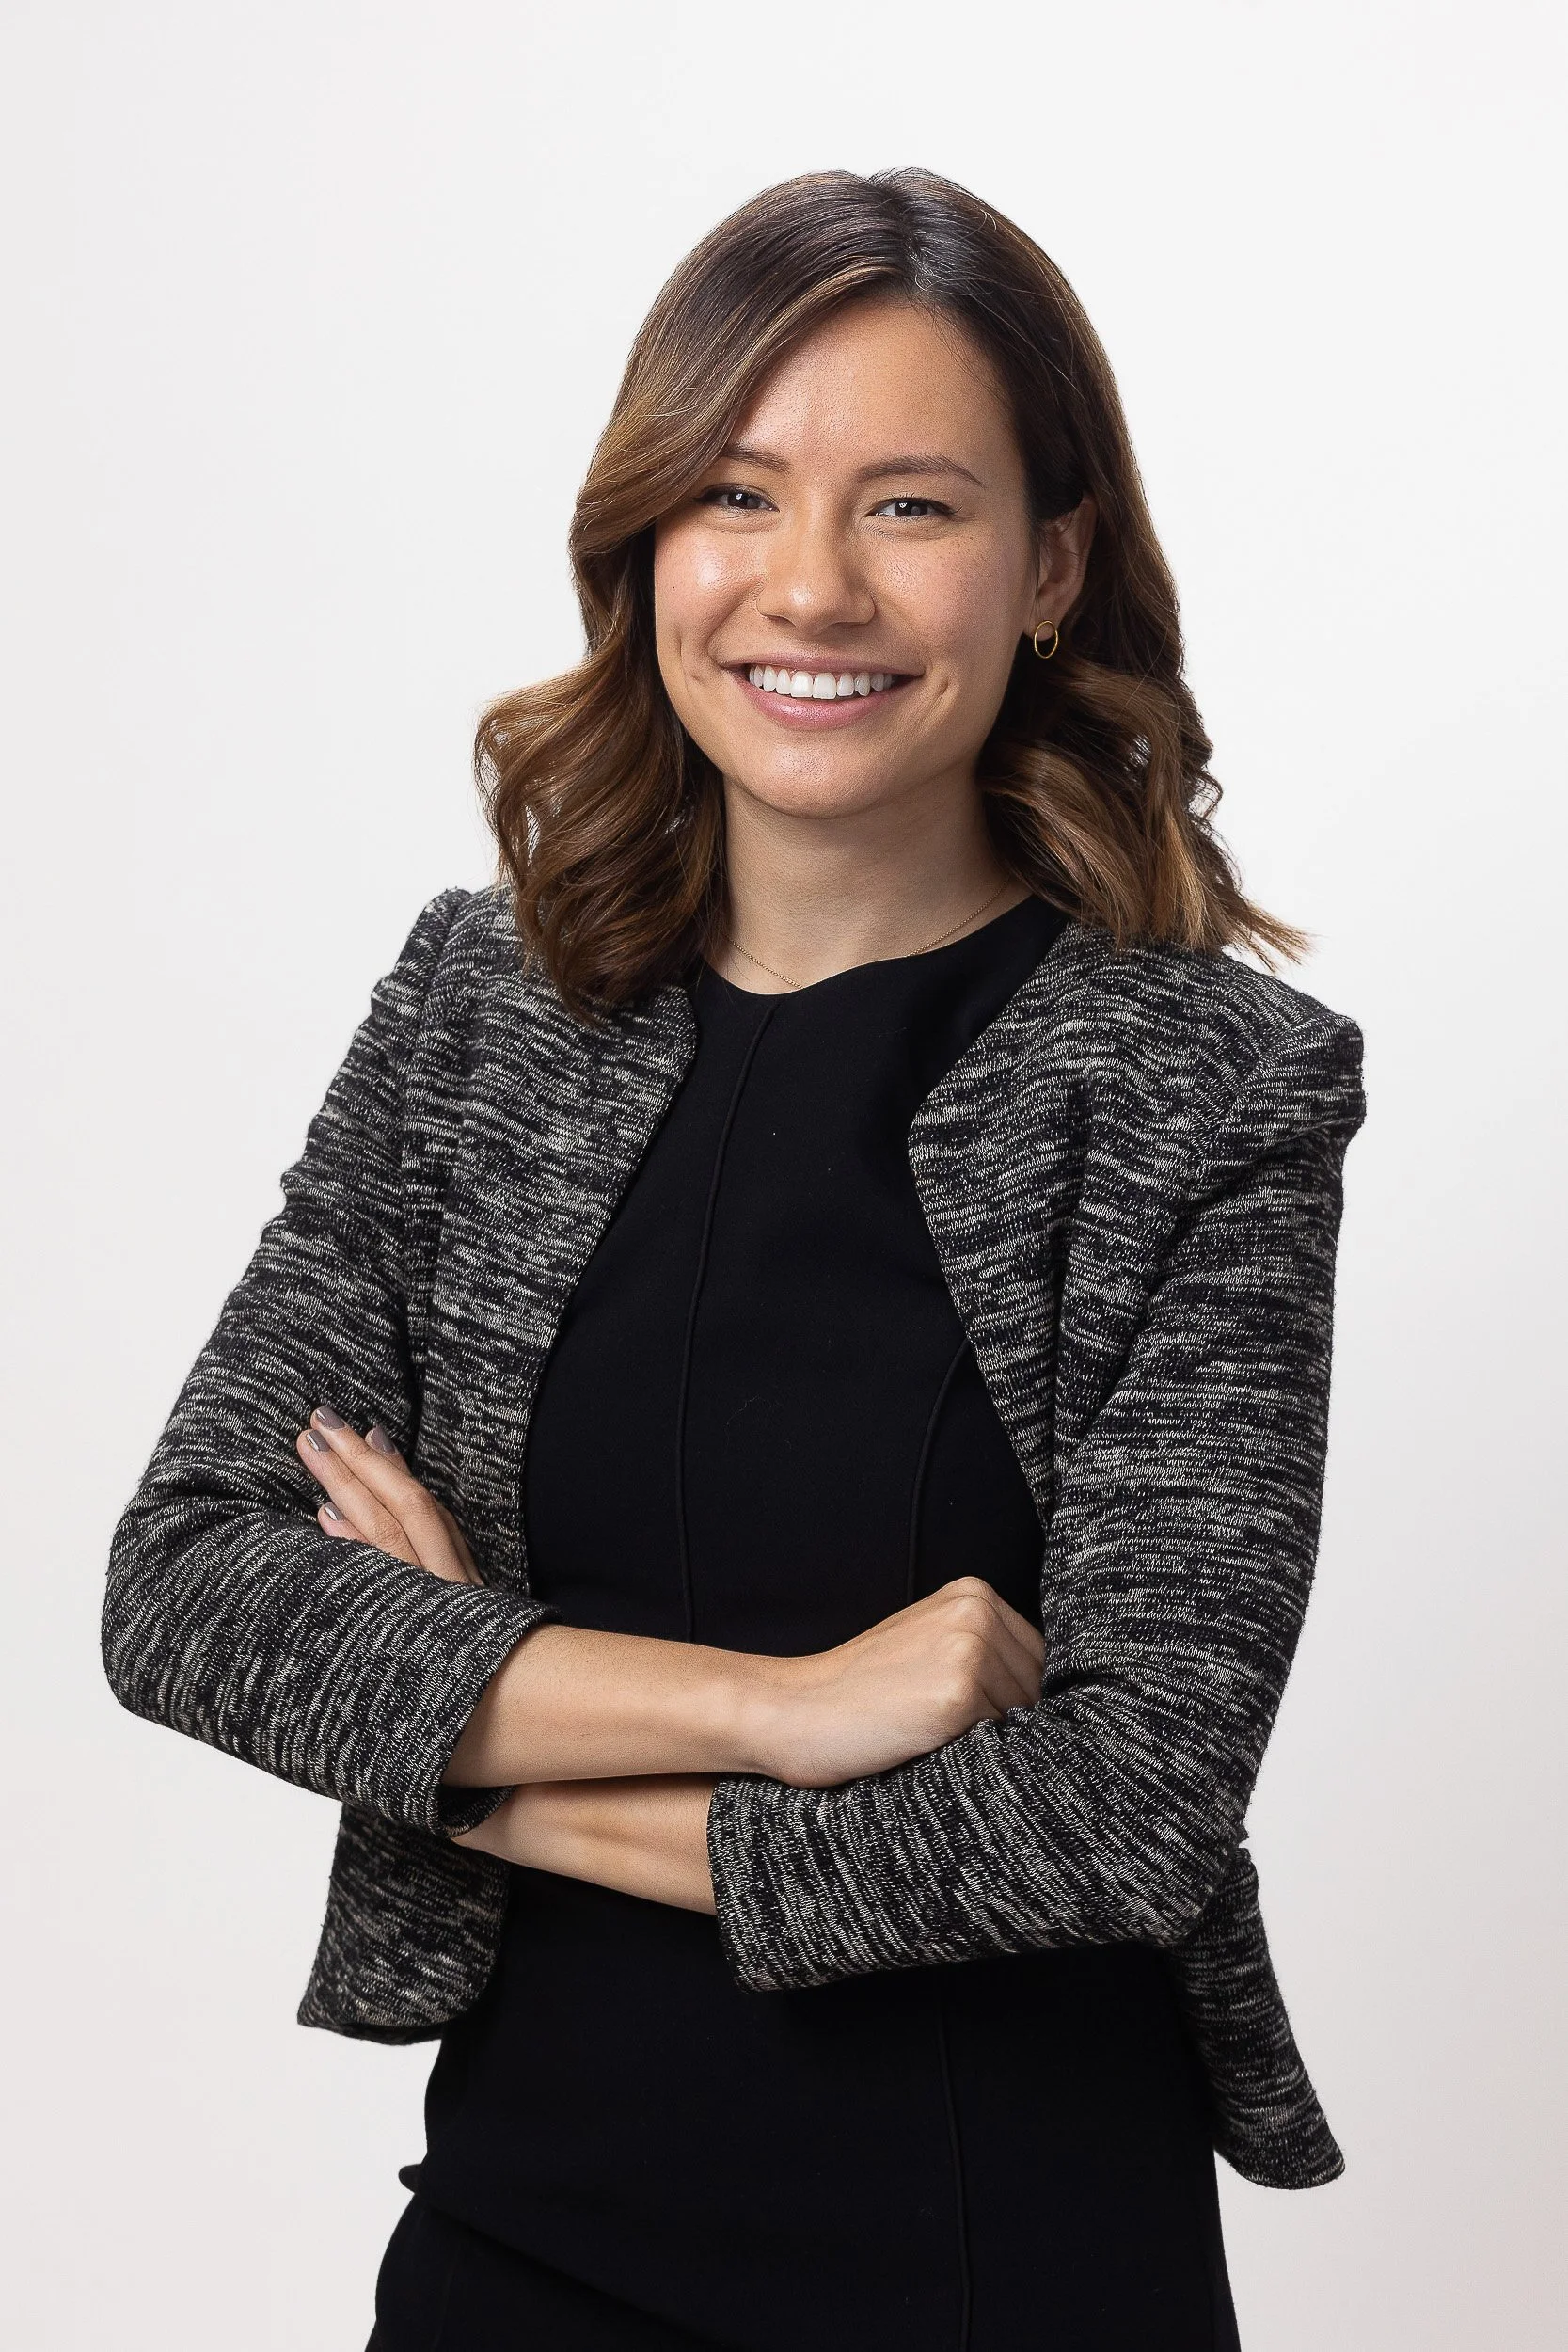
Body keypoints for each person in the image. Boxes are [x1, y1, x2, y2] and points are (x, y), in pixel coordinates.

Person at [102, 167, 1366, 2351]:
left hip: (1001, 2254)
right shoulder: (479, 1012)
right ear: (643, 548)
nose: (807, 587)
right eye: (736, 493)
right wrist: (794, 1712)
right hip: (521, 2235)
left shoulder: (1208, 1088)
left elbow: (1119, 1808)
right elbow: (193, 1582)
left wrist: (466, 1729)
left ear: (1049, 565)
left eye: (907, 507)